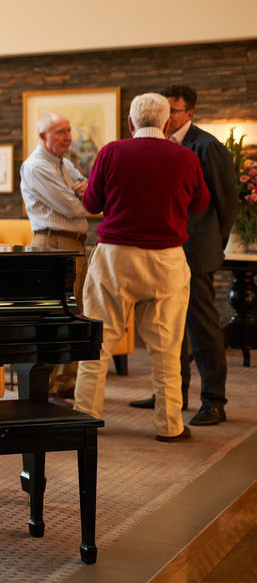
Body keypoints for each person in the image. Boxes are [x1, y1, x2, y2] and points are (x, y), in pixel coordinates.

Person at [72, 94, 208, 443]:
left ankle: (85, 418)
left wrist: (90, 189)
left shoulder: (111, 153)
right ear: (166, 124)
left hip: (116, 258)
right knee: (166, 348)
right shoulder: (186, 156)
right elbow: (201, 201)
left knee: (96, 344)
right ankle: (170, 425)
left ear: (131, 123)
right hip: (167, 260)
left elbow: (91, 204)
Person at [129, 86, 238, 426]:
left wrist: (213, 245)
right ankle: (170, 394)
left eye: (174, 111)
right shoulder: (156, 146)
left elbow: (227, 203)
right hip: (164, 253)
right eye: (165, 109)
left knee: (201, 328)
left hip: (197, 252)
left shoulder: (206, 146)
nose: (168, 116)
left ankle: (213, 400)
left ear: (189, 114)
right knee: (167, 327)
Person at [20, 111, 91, 398]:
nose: (67, 137)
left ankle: (66, 382)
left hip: (74, 243)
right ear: (42, 136)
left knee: (75, 313)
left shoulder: (66, 164)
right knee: (52, 315)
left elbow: (90, 192)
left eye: (69, 131)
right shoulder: (37, 166)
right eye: (60, 132)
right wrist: (82, 194)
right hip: (52, 243)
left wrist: (85, 191)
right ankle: (43, 384)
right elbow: (75, 208)